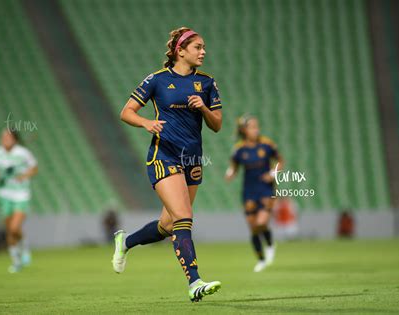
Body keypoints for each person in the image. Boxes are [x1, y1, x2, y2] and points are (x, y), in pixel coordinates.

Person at [112, 27, 223, 302]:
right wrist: (146, 122)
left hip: (193, 160)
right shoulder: (157, 80)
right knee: (184, 217)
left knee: (168, 225)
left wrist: (204, 108)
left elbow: (217, 125)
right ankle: (194, 281)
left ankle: (125, 242)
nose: (203, 52)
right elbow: (126, 112)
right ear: (180, 51)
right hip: (164, 156)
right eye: (198, 47)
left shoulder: (207, 83)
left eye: (203, 47)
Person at [225, 115, 283, 272]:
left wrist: (272, 173)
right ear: (244, 130)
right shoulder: (239, 149)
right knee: (253, 227)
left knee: (262, 222)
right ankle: (261, 259)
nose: (256, 130)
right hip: (248, 190)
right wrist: (230, 173)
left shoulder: (267, 144)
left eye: (257, 127)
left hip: (265, 187)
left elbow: (280, 161)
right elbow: (233, 166)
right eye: (252, 127)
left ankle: (270, 244)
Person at [0, 129, 38, 273]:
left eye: (8, 136)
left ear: (14, 139)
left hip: (21, 194)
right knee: (9, 229)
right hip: (4, 194)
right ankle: (16, 261)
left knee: (15, 227)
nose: (4, 139)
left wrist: (24, 175)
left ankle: (25, 246)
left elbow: (34, 168)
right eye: (3, 136)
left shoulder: (23, 153)